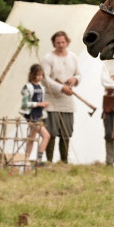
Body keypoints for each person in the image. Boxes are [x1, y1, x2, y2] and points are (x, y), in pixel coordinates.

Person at [42, 31, 81, 163]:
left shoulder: (73, 57)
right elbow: (44, 79)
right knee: (51, 132)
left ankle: (64, 162)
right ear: (54, 43)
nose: (60, 45)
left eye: (63, 42)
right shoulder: (48, 58)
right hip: (51, 100)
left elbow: (79, 74)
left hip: (67, 101)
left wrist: (74, 79)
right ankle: (49, 161)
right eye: (58, 42)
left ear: (67, 42)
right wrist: (61, 88)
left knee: (66, 132)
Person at [19, 64, 50, 166]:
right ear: (32, 75)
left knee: (31, 139)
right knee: (46, 136)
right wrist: (39, 104)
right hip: (31, 116)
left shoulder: (41, 87)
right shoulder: (27, 87)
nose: (40, 77)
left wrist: (43, 105)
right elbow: (25, 103)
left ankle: (26, 159)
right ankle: (39, 160)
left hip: (39, 115)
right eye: (38, 75)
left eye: (41, 75)